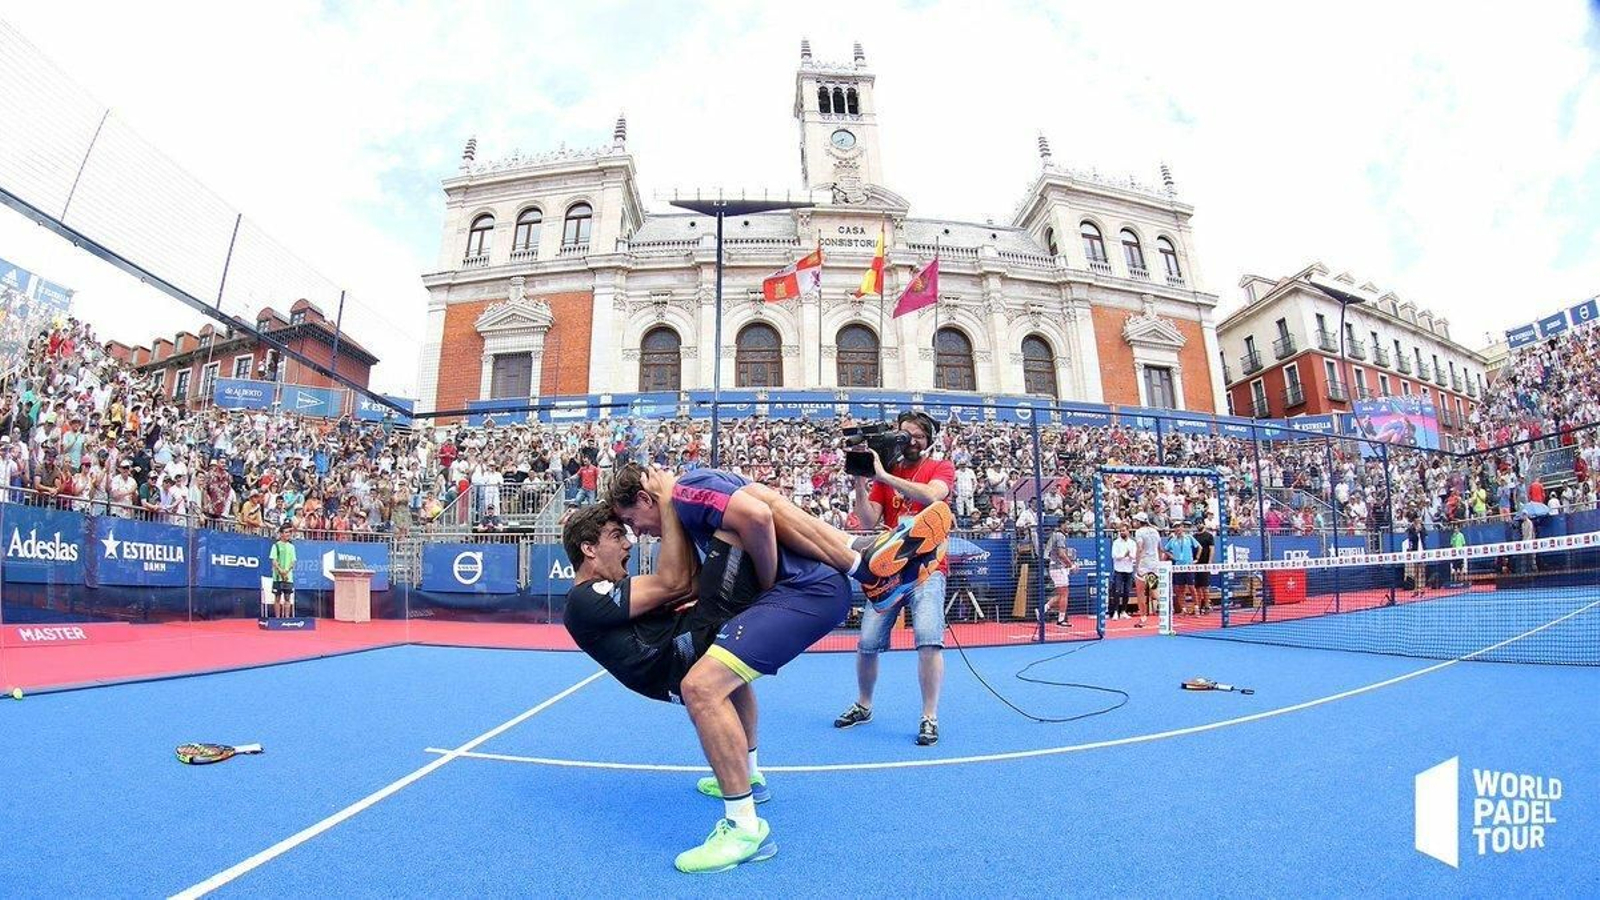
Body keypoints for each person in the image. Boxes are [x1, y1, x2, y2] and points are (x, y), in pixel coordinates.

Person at [599, 465, 951, 873]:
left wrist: (766, 587)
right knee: (724, 676)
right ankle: (749, 776)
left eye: (631, 521)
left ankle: (744, 830)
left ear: (645, 498)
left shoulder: (686, 492)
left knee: (701, 687)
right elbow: (761, 504)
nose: (637, 532)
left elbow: (759, 516)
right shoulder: (690, 501)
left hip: (803, 592)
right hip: (811, 587)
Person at [835, 410, 955, 747]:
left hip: (927, 568)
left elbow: (933, 496)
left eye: (917, 435)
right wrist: (861, 478)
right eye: (904, 434)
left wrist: (884, 476)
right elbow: (866, 518)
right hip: (888, 569)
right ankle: (863, 704)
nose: (909, 440)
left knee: (929, 639)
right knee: (867, 643)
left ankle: (929, 716)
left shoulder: (939, 467)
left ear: (929, 439)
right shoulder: (886, 472)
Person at [1043, 517, 1076, 627]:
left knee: (1061, 594)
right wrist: (1071, 565)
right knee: (1064, 593)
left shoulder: (1055, 535)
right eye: (1067, 524)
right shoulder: (1060, 536)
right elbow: (1061, 554)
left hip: (1055, 568)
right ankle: (1061, 620)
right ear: (1061, 525)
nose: (1069, 526)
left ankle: (1043, 609)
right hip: (1057, 568)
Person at [1162, 520, 1201, 615]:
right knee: (1180, 589)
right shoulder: (1172, 540)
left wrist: (1196, 559)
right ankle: (1183, 609)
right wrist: (1171, 556)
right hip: (1178, 567)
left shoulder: (1189, 537)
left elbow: (1199, 547)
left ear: (1182, 528)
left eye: (1179, 526)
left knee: (1192, 587)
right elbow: (1164, 550)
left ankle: (1196, 608)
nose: (1178, 529)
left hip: (1189, 566)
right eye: (1176, 527)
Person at [1132, 512, 1162, 628]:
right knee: (1154, 591)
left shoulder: (1139, 532)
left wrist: (1137, 565)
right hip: (1154, 564)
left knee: (1140, 592)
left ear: (1140, 522)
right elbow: (1160, 549)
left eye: (1136, 521)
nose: (1134, 523)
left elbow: (1139, 549)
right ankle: (1166, 606)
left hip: (1144, 565)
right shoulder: (1155, 531)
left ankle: (1143, 618)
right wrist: (1158, 562)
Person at [1110, 523, 1136, 620]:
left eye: (1124, 530)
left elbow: (1134, 556)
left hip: (1129, 570)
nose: (1122, 532)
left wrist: (1129, 556)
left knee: (1127, 591)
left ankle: (1123, 611)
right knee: (1117, 591)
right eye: (1120, 531)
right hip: (1119, 570)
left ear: (1128, 531)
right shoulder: (1116, 542)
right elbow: (1114, 556)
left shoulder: (1132, 543)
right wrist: (1124, 555)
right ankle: (1116, 612)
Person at [270, 524, 296, 618]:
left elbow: (293, 562)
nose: (288, 534)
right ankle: (277, 619)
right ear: (281, 534)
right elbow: (274, 561)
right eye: (286, 532)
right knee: (277, 598)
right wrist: (281, 571)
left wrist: (287, 571)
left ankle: (287, 619)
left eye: (289, 532)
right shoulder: (275, 546)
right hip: (277, 577)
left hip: (288, 578)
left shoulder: (291, 547)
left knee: (287, 598)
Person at [1192, 520, 1216, 615]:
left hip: (1205, 564)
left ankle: (1207, 606)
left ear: (1203, 524)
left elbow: (1212, 549)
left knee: (1205, 587)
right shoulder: (1194, 537)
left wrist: (1209, 562)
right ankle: (1199, 606)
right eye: (1197, 523)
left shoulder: (1209, 536)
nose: (1198, 525)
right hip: (1196, 565)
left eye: (1200, 523)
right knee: (1197, 587)